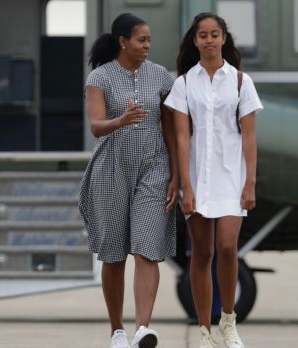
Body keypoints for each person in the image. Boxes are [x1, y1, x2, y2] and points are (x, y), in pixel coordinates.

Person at [78, 13, 178, 348]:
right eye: (141, 40)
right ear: (123, 42)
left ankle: (142, 329)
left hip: (154, 167)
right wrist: (120, 119)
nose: (148, 45)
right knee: (114, 254)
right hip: (112, 168)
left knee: (147, 248)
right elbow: (96, 126)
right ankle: (117, 330)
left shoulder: (161, 77)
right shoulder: (100, 77)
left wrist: (177, 175)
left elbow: (170, 129)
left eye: (149, 40)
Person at [164, 12, 262, 348]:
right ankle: (205, 331)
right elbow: (180, 138)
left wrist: (250, 183)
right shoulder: (183, 84)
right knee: (201, 254)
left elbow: (249, 137)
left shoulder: (240, 81)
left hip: (232, 178)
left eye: (215, 34)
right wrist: (184, 187)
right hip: (197, 179)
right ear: (195, 40)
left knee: (227, 247)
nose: (209, 40)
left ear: (223, 38)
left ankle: (229, 321)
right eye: (202, 35)